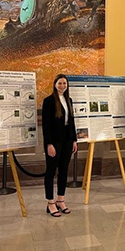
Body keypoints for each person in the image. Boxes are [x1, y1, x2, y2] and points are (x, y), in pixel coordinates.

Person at [42, 74, 78, 217]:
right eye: (60, 83)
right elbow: (46, 125)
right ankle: (50, 202)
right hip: (54, 142)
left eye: (64, 83)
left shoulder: (69, 100)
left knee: (64, 170)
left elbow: (72, 122)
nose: (62, 85)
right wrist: (49, 144)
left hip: (67, 141)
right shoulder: (49, 101)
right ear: (55, 84)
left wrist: (74, 140)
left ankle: (60, 200)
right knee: (51, 171)